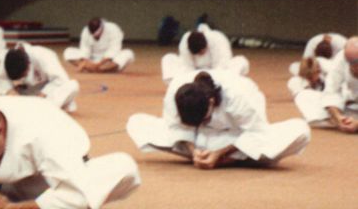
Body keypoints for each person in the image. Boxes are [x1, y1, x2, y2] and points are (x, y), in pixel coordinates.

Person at [0, 97, 140, 209]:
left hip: (46, 185)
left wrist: (18, 208)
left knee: (124, 166)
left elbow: (73, 190)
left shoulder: (42, 133)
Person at [126, 70, 310, 169]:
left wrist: (220, 153)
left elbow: (257, 133)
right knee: (136, 122)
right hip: (198, 140)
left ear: (211, 102)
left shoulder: (240, 95)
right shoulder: (176, 90)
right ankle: (209, 158)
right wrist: (193, 150)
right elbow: (175, 127)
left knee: (300, 130)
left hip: (236, 140)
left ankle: (231, 160)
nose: (201, 123)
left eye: (203, 118)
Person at [0, 43, 79, 112]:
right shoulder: (7, 58)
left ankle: (45, 110)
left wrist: (41, 95)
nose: (22, 78)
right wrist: (11, 92)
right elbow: (0, 79)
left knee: (72, 85)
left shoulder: (43, 55)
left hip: (46, 95)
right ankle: (2, 110)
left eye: (23, 75)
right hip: (27, 94)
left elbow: (61, 79)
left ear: (29, 64)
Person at [160, 23, 249, 84]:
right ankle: (178, 87)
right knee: (168, 59)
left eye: (202, 52)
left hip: (217, 74)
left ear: (206, 45)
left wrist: (211, 80)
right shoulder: (185, 42)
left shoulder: (218, 39)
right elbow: (186, 66)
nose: (200, 55)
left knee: (241, 62)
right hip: (194, 75)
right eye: (197, 54)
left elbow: (222, 65)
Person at [63, 17, 134, 73]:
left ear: (102, 28)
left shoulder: (113, 29)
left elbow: (114, 50)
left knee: (129, 54)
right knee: (68, 52)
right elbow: (85, 49)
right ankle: (97, 69)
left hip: (109, 61)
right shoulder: (85, 30)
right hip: (92, 59)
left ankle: (101, 70)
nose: (95, 37)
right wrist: (84, 61)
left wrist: (98, 65)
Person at [321, 36, 358, 133]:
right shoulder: (341, 58)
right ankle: (345, 121)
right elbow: (331, 90)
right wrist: (338, 117)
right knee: (305, 97)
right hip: (351, 106)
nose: (353, 66)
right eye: (349, 62)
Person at [287, 57, 333, 126]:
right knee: (302, 96)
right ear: (309, 73)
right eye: (316, 72)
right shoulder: (295, 81)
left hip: (327, 104)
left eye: (319, 71)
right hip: (313, 104)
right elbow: (299, 97)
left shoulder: (323, 79)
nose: (319, 73)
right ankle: (316, 118)